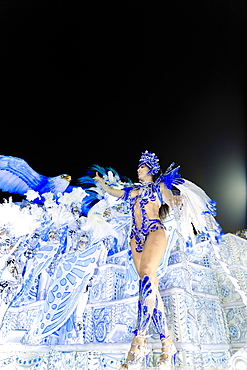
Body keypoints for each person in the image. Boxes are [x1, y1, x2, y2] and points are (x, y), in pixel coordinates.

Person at [94, 151, 182, 370]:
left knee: (146, 277)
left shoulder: (158, 185)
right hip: (136, 238)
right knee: (149, 285)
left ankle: (139, 341)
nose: (138, 170)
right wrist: (102, 183)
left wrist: (174, 200)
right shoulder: (133, 191)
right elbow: (115, 192)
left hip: (154, 230)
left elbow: (168, 196)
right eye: (138, 167)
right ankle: (167, 344)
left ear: (150, 170)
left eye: (141, 167)